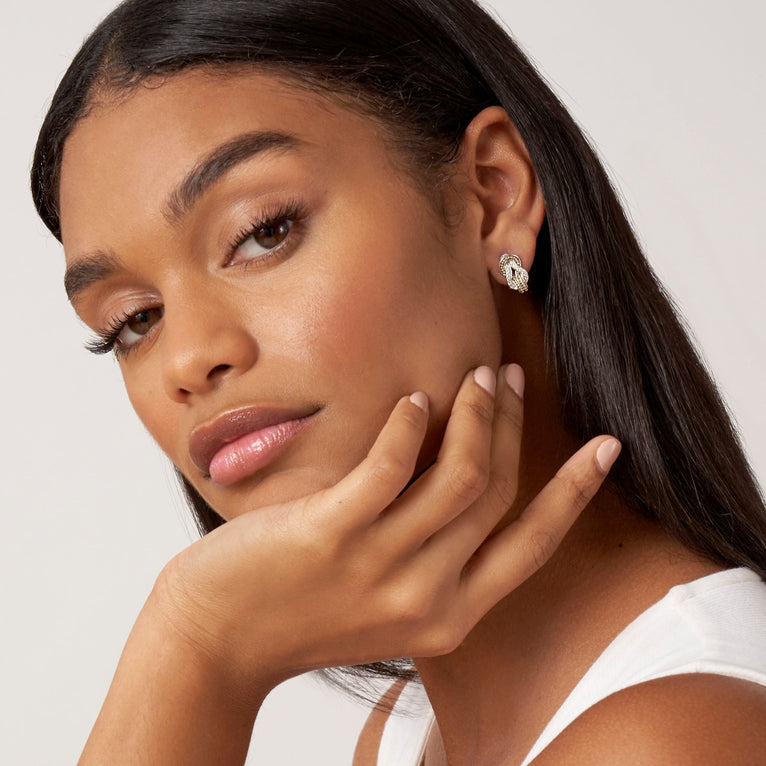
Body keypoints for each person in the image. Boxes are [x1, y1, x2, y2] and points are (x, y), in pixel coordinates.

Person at [31, 0, 766, 763]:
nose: (186, 360)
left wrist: (198, 650)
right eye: (134, 320)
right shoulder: (407, 730)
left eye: (264, 231)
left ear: (493, 193)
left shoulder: (676, 733)